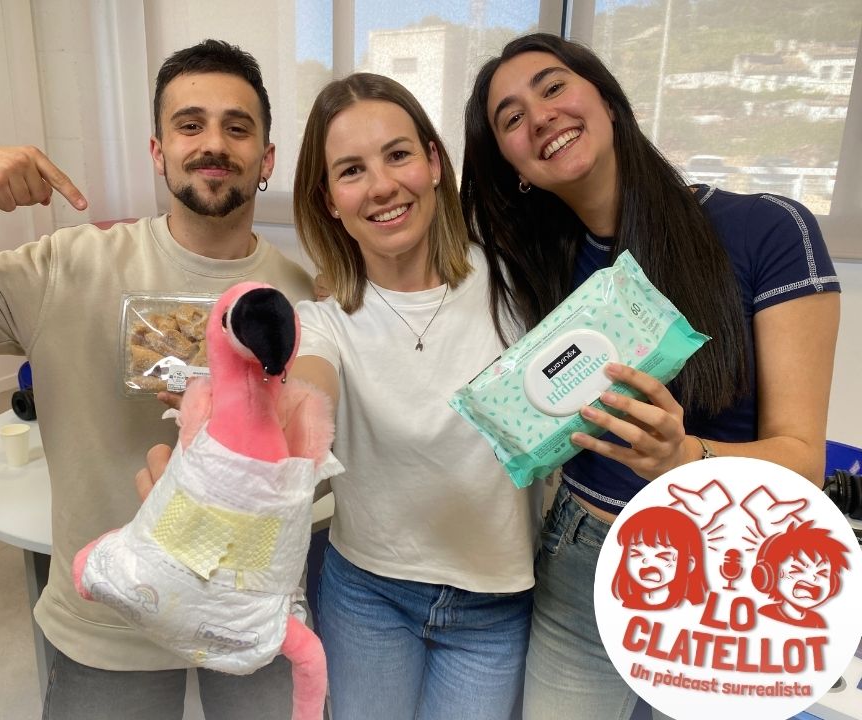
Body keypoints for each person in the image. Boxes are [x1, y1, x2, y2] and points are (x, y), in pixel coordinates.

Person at [0, 39, 314, 720]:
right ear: (158, 150)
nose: (214, 144)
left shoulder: (300, 297)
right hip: (107, 621)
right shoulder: (67, 267)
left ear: (266, 158)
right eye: (190, 125)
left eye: (237, 128)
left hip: (253, 618)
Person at [460, 32, 841, 720]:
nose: (540, 117)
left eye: (553, 87)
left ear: (607, 100)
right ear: (516, 168)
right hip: (579, 563)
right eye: (511, 118)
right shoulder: (540, 265)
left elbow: (803, 461)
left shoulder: (767, 231)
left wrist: (684, 458)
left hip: (722, 579)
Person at [288, 72, 538, 720]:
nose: (380, 185)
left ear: (433, 163)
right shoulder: (323, 319)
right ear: (329, 199)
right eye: (351, 171)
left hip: (494, 604)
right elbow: (306, 391)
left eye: (397, 155)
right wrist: (271, 429)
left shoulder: (512, 283)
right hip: (366, 596)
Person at [754, 521, 850, 629]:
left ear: (834, 583)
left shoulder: (818, 622)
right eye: (797, 570)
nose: (813, 578)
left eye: (822, 573)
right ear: (768, 575)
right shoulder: (765, 616)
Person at [611, 506, 707, 611]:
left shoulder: (688, 609)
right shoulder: (623, 605)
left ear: (689, 563)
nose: (646, 562)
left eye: (663, 557)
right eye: (636, 554)